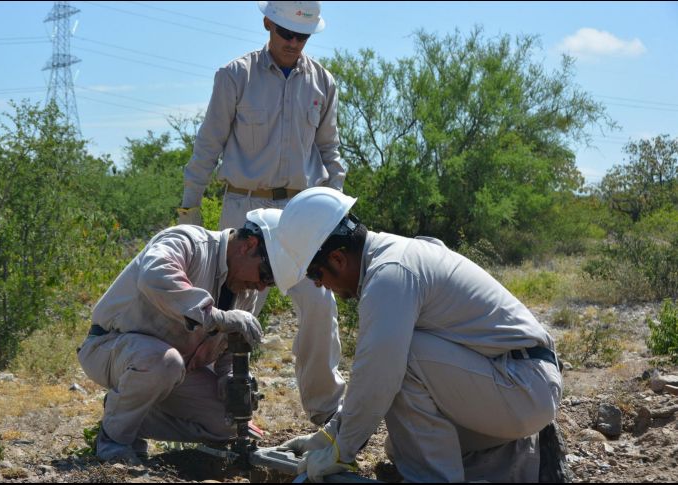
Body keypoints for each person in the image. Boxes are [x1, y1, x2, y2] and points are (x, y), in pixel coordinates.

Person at [268, 187, 564, 483]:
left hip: (522, 387)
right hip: (519, 385)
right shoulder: (392, 257)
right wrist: (328, 437)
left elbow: (378, 374)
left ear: (337, 258)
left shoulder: (390, 274)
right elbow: (373, 379)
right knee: (403, 448)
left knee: (401, 360)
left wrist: (341, 450)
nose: (319, 285)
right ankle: (522, 460)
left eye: (315, 274)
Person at [176, 1, 346, 426]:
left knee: (320, 303)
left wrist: (334, 207)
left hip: (301, 211)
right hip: (244, 210)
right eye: (286, 32)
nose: (293, 42)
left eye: (302, 35)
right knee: (231, 312)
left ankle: (328, 412)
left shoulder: (323, 82)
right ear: (268, 23)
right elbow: (208, 145)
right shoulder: (235, 75)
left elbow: (330, 151)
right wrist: (189, 208)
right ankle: (220, 411)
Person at [77, 209, 281, 464]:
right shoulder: (188, 242)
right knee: (163, 361)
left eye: (270, 283)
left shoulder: (246, 292)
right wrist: (216, 317)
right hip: (111, 347)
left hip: (174, 369)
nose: (262, 286)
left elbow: (229, 351)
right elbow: (153, 276)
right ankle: (113, 440)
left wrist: (229, 379)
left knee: (229, 422)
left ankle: (129, 414)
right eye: (265, 274)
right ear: (249, 245)